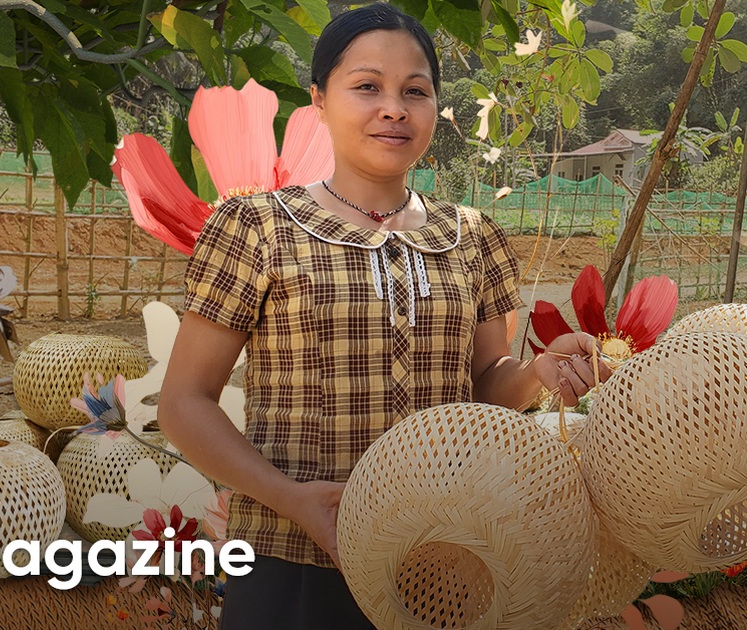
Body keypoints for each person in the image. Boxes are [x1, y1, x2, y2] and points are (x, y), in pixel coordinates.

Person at [157, 4, 610, 628]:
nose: (393, 107)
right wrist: (294, 501)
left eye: (414, 91)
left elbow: (483, 389)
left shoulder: (470, 236)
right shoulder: (258, 228)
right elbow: (185, 402)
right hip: (295, 560)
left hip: (443, 554)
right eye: (367, 86)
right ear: (318, 100)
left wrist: (536, 371)